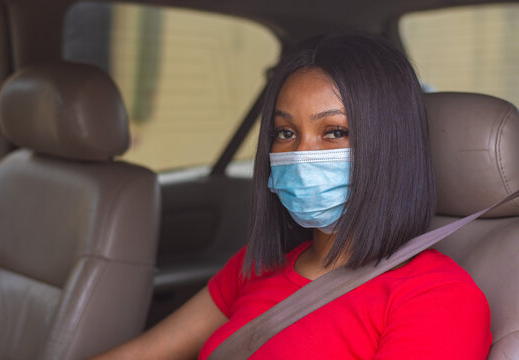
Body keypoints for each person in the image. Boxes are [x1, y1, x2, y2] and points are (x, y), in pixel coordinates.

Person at [91, 33, 492, 360]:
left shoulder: (437, 298)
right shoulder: (255, 266)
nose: (301, 155)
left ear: (391, 146)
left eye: (335, 131)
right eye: (285, 133)